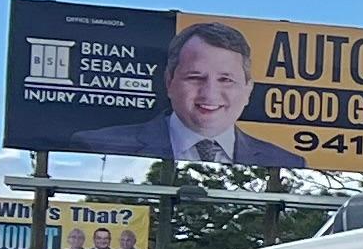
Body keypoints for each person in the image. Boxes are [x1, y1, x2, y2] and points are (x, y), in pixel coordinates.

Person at [69, 23, 301, 170]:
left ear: (248, 89)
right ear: (169, 81)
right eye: (195, 77)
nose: (209, 93)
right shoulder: (96, 146)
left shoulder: (286, 162)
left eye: (226, 80)